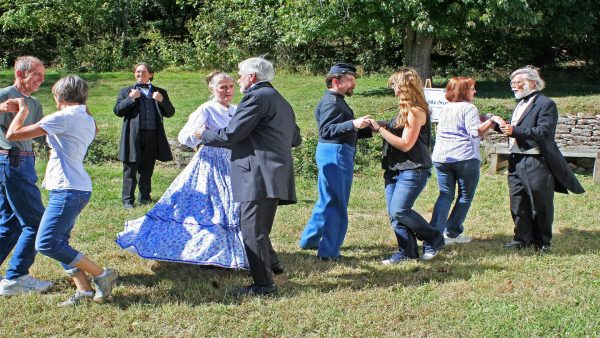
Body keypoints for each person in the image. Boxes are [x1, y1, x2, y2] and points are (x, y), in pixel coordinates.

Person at [6, 75, 119, 306]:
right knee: (60, 241)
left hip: (68, 188)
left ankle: (102, 274)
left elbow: (12, 135)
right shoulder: (86, 117)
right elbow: (94, 131)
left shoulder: (63, 117)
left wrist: (22, 112)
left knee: (46, 242)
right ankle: (84, 290)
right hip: (75, 187)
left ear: (59, 96)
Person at [116, 71, 248, 269]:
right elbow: (184, 136)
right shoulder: (206, 109)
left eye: (230, 86)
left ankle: (231, 251)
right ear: (212, 89)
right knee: (212, 208)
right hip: (210, 163)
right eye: (222, 87)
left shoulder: (237, 109)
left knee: (233, 206)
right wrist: (200, 134)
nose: (228, 91)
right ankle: (206, 251)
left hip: (233, 162)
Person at [199, 57, 301, 296]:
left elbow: (232, 134)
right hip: (276, 173)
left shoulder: (255, 98)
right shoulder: (282, 101)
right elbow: (296, 138)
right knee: (260, 228)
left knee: (251, 230)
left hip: (257, 174)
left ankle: (264, 285)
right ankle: (272, 265)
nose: (238, 80)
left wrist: (204, 134)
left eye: (240, 75)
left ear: (252, 77)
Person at [492, 66, 584, 252]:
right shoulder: (519, 104)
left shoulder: (546, 103)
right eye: (512, 83)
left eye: (518, 82)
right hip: (516, 160)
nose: (513, 86)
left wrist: (514, 130)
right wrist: (499, 126)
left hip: (536, 161)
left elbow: (544, 132)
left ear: (532, 83)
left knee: (540, 203)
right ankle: (521, 239)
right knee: (518, 202)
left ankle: (542, 242)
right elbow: (517, 131)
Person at [368, 68, 444, 264]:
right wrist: (378, 124)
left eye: (396, 86)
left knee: (400, 210)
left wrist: (380, 129)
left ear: (407, 87)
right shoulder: (404, 110)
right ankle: (407, 252)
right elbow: (398, 128)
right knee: (394, 214)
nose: (394, 90)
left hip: (413, 168)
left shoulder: (416, 111)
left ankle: (433, 238)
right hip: (395, 169)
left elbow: (406, 143)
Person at [298, 63, 372, 261]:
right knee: (337, 202)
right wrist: (353, 124)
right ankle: (329, 252)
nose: (353, 84)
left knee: (326, 199)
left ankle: (310, 240)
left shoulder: (333, 99)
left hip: (331, 151)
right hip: (336, 153)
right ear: (335, 81)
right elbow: (327, 131)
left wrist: (367, 128)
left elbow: (339, 129)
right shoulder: (332, 102)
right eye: (350, 80)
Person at [0, 56, 53, 296]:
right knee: (36, 222)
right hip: (11, 162)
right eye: (37, 76)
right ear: (21, 74)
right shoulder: (3, 96)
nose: (41, 81)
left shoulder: (35, 104)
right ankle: (16, 278)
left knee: (10, 222)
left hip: (25, 162)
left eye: (43, 76)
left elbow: (41, 133)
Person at [430, 77, 498, 244]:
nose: (475, 91)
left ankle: (434, 233)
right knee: (465, 196)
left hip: (441, 157)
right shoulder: (469, 108)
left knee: (445, 195)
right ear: (463, 91)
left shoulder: (444, 108)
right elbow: (476, 133)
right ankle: (452, 233)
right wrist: (492, 120)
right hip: (464, 157)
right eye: (472, 88)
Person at [114, 62, 175, 209]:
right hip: (132, 136)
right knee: (130, 168)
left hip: (153, 135)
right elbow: (117, 111)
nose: (140, 75)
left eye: (143, 72)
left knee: (147, 168)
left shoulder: (160, 92)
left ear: (151, 74)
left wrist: (161, 100)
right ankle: (128, 200)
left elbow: (170, 112)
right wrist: (130, 99)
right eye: (137, 72)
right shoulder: (126, 91)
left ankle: (145, 197)